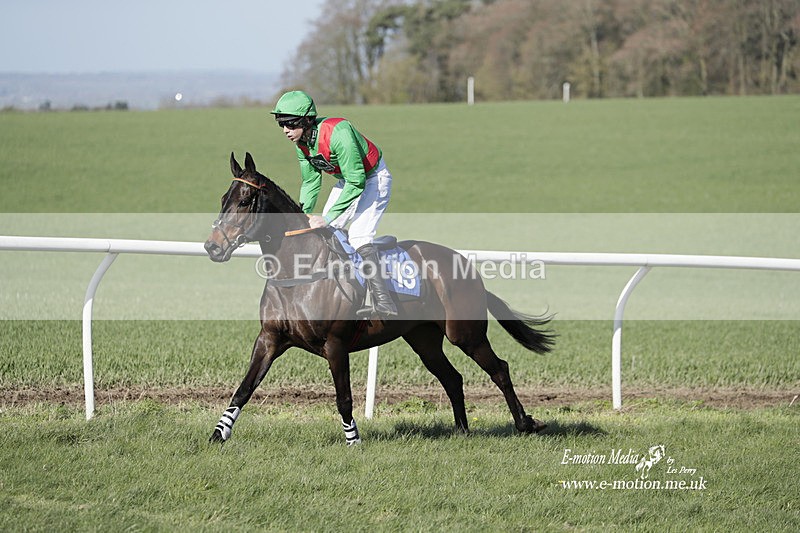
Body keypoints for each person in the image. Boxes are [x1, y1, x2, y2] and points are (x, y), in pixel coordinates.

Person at [270, 90, 397, 317]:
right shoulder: (302, 144)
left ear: (307, 120)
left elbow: (357, 181)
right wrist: (301, 217)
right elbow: (310, 182)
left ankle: (383, 302)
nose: (285, 130)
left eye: (289, 123)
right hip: (347, 181)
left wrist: (327, 217)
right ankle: (340, 291)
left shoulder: (339, 132)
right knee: (327, 232)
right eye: (281, 124)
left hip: (373, 178)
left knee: (358, 235)